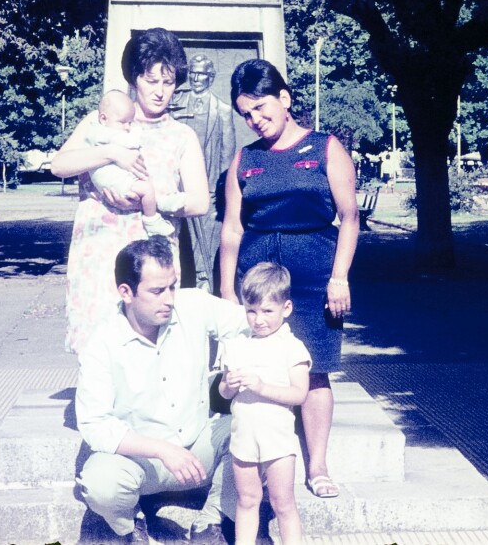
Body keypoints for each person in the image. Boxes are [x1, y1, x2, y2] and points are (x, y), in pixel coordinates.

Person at [218, 59, 359, 500]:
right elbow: (232, 230)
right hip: (257, 282)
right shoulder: (245, 159)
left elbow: (350, 218)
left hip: (315, 276)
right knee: (254, 367)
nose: (256, 120)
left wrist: (340, 277)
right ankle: (255, 459)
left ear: (285, 99)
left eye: (261, 108)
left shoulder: (325, 147)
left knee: (315, 371)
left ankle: (316, 464)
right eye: (247, 114)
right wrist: (227, 292)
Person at [75, 236, 248, 544]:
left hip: (199, 446)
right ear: (126, 292)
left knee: (262, 437)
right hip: (141, 460)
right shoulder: (102, 342)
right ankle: (131, 525)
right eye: (156, 291)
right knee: (100, 482)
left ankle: (210, 522)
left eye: (172, 286)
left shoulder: (192, 304)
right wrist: (163, 450)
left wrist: (231, 356)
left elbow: (248, 323)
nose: (169, 299)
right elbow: (94, 424)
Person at [52, 27, 210, 354]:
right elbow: (60, 165)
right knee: (98, 349)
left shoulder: (182, 135)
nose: (159, 92)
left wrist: (150, 198)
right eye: (151, 81)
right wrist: (111, 154)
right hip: (98, 252)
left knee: (151, 350)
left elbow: (199, 201)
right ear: (135, 78)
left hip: (153, 256)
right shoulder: (102, 123)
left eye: (168, 83)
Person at [219, 262, 310, 545]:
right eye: (251, 310)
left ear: (286, 308)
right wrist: (228, 386)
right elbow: (223, 393)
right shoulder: (236, 344)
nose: (258, 320)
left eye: (267, 311)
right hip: (244, 436)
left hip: (278, 440)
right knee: (247, 499)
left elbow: (299, 394)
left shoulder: (291, 347)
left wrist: (262, 387)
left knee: (283, 503)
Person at [172, 54, 237, 292]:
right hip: (176, 189)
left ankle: (204, 288)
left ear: (210, 78)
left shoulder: (222, 110)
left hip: (208, 190)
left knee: (205, 247)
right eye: (193, 72)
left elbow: (227, 155)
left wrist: (220, 192)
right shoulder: (175, 104)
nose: (196, 78)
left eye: (201, 73)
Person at [87, 89, 186, 239]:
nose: (127, 127)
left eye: (130, 123)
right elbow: (130, 142)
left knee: (147, 183)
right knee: (146, 188)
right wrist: (138, 133)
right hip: (112, 180)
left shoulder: (103, 129)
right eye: (122, 122)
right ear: (103, 118)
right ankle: (152, 220)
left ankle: (160, 202)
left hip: (115, 178)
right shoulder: (103, 133)